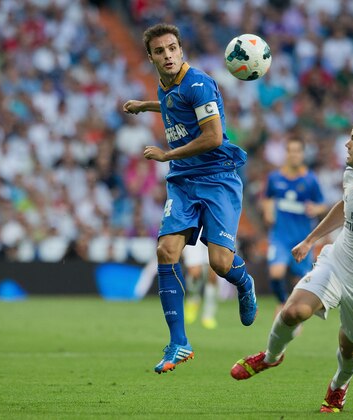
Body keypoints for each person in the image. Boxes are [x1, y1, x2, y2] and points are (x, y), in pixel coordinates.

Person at [230, 117, 353, 412]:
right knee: (293, 310)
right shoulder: (352, 172)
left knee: (349, 348)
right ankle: (271, 357)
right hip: (337, 263)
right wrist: (311, 240)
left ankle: (338, 387)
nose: (347, 145)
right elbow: (346, 204)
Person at [122, 23, 257, 374]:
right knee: (166, 251)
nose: (167, 55)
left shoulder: (198, 83)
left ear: (181, 50)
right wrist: (144, 106)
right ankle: (179, 343)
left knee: (220, 265)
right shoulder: (166, 85)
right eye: (159, 51)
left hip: (216, 179)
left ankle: (245, 283)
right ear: (151, 57)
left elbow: (213, 137)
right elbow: (171, 104)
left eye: (171, 48)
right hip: (183, 182)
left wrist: (168, 155)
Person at [262, 136, 327, 314]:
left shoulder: (310, 180)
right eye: (291, 151)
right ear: (286, 154)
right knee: (276, 272)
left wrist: (315, 208)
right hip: (280, 236)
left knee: (300, 280)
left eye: (298, 151)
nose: (294, 155)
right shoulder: (275, 178)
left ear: (302, 154)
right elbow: (266, 197)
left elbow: (322, 204)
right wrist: (268, 211)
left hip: (302, 237)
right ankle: (282, 303)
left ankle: (292, 310)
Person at [182, 233, 219, 330]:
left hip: (213, 230)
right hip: (195, 230)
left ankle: (209, 315)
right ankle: (193, 300)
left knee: (213, 275)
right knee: (194, 273)